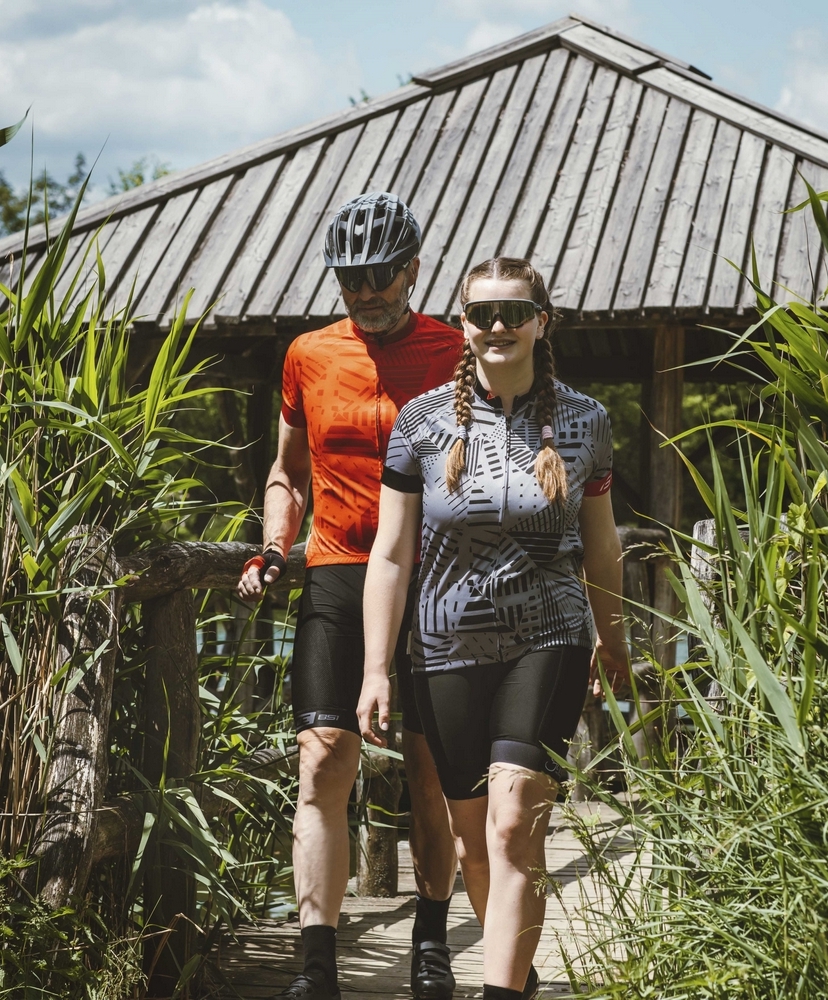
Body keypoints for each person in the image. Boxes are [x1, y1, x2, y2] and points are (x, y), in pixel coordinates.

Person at [357, 257, 630, 999]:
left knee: (513, 827)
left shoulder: (586, 421)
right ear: (464, 323)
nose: (498, 325)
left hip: (549, 635)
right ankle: (521, 979)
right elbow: (391, 554)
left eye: (514, 312)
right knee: (472, 839)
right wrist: (376, 668)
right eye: (482, 313)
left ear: (543, 321)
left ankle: (498, 993)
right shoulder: (419, 423)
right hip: (443, 647)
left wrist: (612, 639)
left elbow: (601, 544)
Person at [237, 192, 464, 1000]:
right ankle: (317, 966)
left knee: (431, 774)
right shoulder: (308, 355)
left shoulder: (457, 352)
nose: (364, 291)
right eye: (348, 277)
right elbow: (287, 472)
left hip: (435, 576)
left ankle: (431, 942)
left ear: (413, 268)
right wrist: (274, 546)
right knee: (324, 759)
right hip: (337, 567)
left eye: (378, 275)